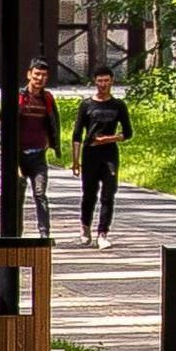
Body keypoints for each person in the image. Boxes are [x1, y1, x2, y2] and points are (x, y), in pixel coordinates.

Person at [4, 64, 63, 234]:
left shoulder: (47, 99)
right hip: (18, 156)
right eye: (36, 74)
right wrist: (12, 159)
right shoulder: (19, 97)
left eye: (44, 75)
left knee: (40, 193)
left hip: (38, 156)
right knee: (18, 195)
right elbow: (5, 126)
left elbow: (53, 123)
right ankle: (16, 233)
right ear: (29, 74)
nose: (40, 79)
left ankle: (44, 234)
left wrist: (51, 144)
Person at [76, 69, 133, 239]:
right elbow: (77, 134)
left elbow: (128, 133)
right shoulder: (86, 105)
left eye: (106, 81)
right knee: (89, 194)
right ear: (95, 82)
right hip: (90, 154)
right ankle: (85, 225)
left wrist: (109, 139)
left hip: (109, 154)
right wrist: (75, 160)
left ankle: (103, 233)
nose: (103, 84)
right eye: (100, 81)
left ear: (112, 81)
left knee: (108, 194)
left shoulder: (118, 105)